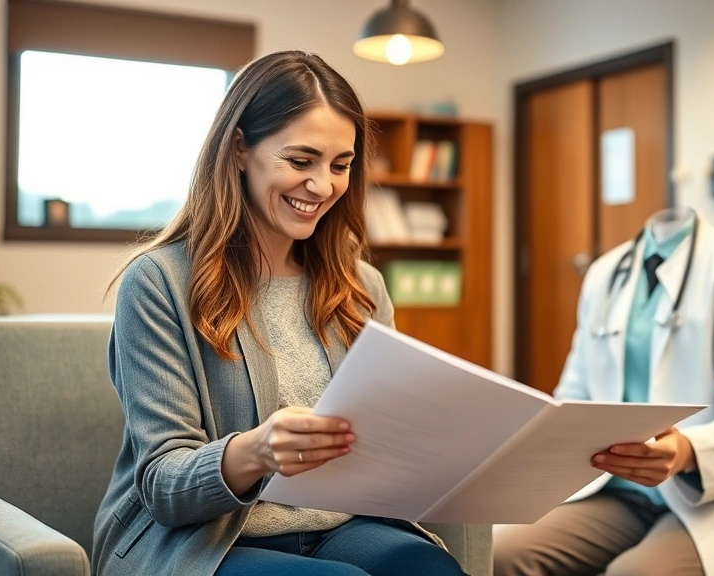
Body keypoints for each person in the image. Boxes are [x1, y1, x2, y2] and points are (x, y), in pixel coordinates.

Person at [91, 50, 466, 576]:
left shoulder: (363, 287)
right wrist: (257, 451)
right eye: (301, 160)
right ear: (240, 147)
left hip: (343, 527)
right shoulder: (158, 283)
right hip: (206, 539)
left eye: (341, 165)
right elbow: (162, 486)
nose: (323, 186)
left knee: (429, 569)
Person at [493, 207, 714, 576]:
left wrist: (687, 452)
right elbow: (573, 395)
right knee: (498, 554)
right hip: (617, 490)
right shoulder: (605, 275)